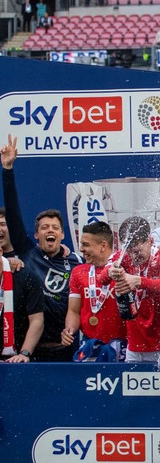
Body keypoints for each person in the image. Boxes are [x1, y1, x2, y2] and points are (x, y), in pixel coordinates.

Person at [2, 135, 81, 361]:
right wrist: (7, 170)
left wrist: (72, 330)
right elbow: (14, 215)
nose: (50, 231)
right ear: (36, 234)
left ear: (62, 235)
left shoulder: (74, 261)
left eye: (55, 227)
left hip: (65, 349)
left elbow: (81, 304)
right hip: (31, 350)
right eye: (45, 227)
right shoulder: (27, 252)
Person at [112, 216, 160, 363]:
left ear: (150, 241)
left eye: (137, 251)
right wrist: (110, 271)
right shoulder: (124, 256)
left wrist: (138, 281)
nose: (132, 256)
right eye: (129, 250)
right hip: (134, 348)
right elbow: (101, 278)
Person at [63, 221, 126, 362]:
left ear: (103, 246)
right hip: (90, 345)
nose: (81, 249)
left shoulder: (122, 268)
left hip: (122, 346)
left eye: (86, 245)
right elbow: (74, 310)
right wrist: (69, 330)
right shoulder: (78, 272)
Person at [0, 224, 44, 362]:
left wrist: (25, 353)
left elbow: (37, 320)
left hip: (17, 357)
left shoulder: (25, 277)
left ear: (0, 251)